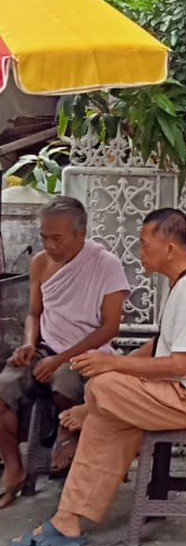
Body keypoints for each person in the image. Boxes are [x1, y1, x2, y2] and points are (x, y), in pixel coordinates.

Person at [0, 206, 186, 546]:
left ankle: (88, 411)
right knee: (106, 418)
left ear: (169, 247)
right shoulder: (184, 284)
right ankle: (68, 523)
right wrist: (116, 373)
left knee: (103, 388)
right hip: (172, 393)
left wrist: (112, 364)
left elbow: (180, 365)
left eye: (144, 244)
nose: (140, 253)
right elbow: (159, 347)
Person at [0, 198, 130, 509]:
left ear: (80, 234)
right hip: (45, 349)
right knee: (3, 387)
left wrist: (59, 360)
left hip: (88, 353)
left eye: (57, 238)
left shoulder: (106, 264)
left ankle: (66, 436)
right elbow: (34, 313)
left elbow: (110, 328)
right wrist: (29, 344)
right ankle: (14, 468)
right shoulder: (40, 263)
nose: (50, 245)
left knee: (64, 382)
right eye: (44, 237)